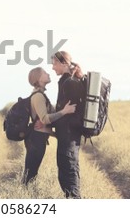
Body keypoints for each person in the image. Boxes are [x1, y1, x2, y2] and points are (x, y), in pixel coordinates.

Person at [22, 67, 76, 185]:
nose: (48, 74)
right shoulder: (38, 96)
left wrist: (55, 134)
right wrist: (65, 111)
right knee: (29, 175)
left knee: (32, 174)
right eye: (45, 73)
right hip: (35, 139)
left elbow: (45, 124)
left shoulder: (42, 95)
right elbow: (45, 119)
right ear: (39, 78)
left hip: (39, 139)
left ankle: (26, 194)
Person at [51, 51, 86, 198]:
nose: (53, 68)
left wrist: (62, 116)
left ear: (63, 63)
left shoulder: (70, 83)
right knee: (65, 172)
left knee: (69, 174)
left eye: (54, 63)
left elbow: (74, 112)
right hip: (66, 135)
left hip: (69, 135)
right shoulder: (66, 81)